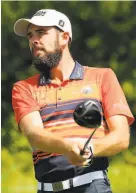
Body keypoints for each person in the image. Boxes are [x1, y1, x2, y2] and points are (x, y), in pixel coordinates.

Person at [12, 9, 135, 193]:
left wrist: (90, 149)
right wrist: (68, 147)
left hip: (93, 187)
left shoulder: (103, 77)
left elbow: (121, 137)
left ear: (64, 37)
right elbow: (34, 134)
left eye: (42, 33)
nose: (33, 40)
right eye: (30, 35)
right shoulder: (23, 87)